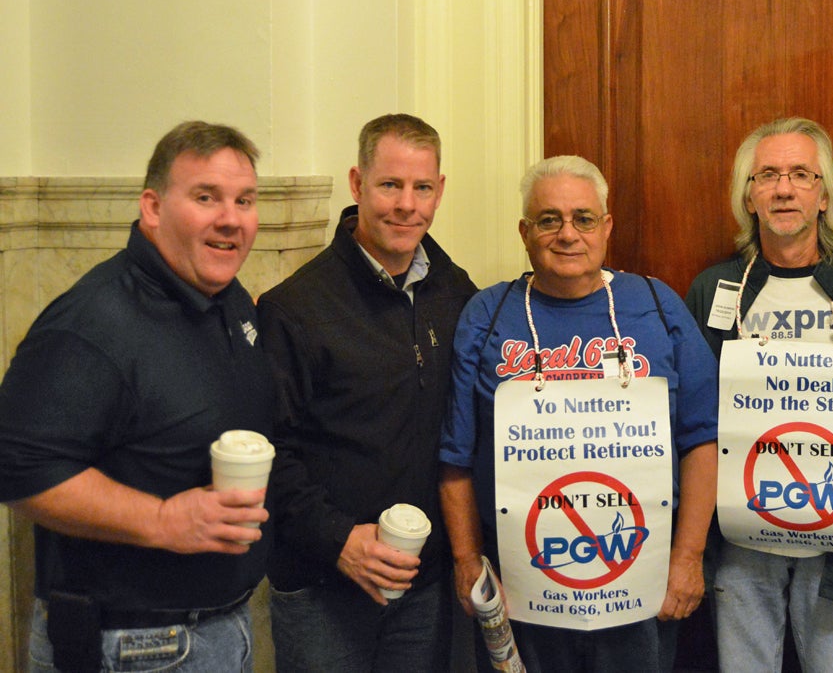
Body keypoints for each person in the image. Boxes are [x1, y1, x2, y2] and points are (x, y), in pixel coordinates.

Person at [0, 121, 272, 672]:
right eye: (205, 197)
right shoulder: (94, 322)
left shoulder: (223, 295)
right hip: (132, 647)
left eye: (244, 200)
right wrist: (161, 519)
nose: (230, 218)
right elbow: (14, 465)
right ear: (152, 207)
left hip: (221, 631)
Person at [439, 155, 718, 672]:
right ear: (525, 232)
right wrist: (465, 562)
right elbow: (456, 453)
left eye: (583, 218)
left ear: (606, 227)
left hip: (641, 585)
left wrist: (688, 558)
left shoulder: (657, 305)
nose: (567, 234)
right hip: (522, 588)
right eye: (549, 220)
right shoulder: (487, 312)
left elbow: (702, 439)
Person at [684, 117, 833, 673]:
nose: (783, 188)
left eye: (799, 174)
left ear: (823, 195)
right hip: (742, 542)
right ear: (749, 196)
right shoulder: (712, 289)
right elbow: (691, 418)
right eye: (767, 175)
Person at [257, 113, 476, 672]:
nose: (406, 204)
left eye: (421, 187)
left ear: (440, 191)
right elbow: (268, 452)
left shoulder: (455, 292)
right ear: (357, 184)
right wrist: (339, 542)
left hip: (422, 587)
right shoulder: (295, 309)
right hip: (324, 590)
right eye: (390, 185)